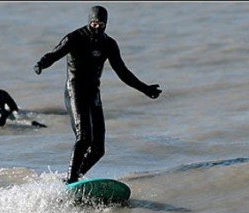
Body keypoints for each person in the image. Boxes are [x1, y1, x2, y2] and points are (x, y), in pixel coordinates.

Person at [33, 6, 162, 184]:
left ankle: (73, 179)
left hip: (93, 92)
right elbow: (54, 54)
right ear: (89, 21)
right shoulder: (74, 38)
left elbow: (122, 72)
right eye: (93, 23)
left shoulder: (109, 44)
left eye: (101, 24)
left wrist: (145, 89)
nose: (96, 27)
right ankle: (71, 181)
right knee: (84, 138)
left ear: (106, 24)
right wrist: (41, 64)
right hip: (75, 90)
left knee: (98, 149)